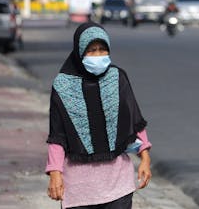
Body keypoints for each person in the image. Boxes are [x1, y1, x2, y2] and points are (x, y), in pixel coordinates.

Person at [46, 22, 152, 209]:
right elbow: (57, 135)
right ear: (79, 52)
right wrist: (55, 172)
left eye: (102, 50)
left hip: (118, 184)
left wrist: (145, 157)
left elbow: (134, 118)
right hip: (80, 189)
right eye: (91, 50)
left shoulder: (117, 78)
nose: (98, 56)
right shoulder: (62, 86)